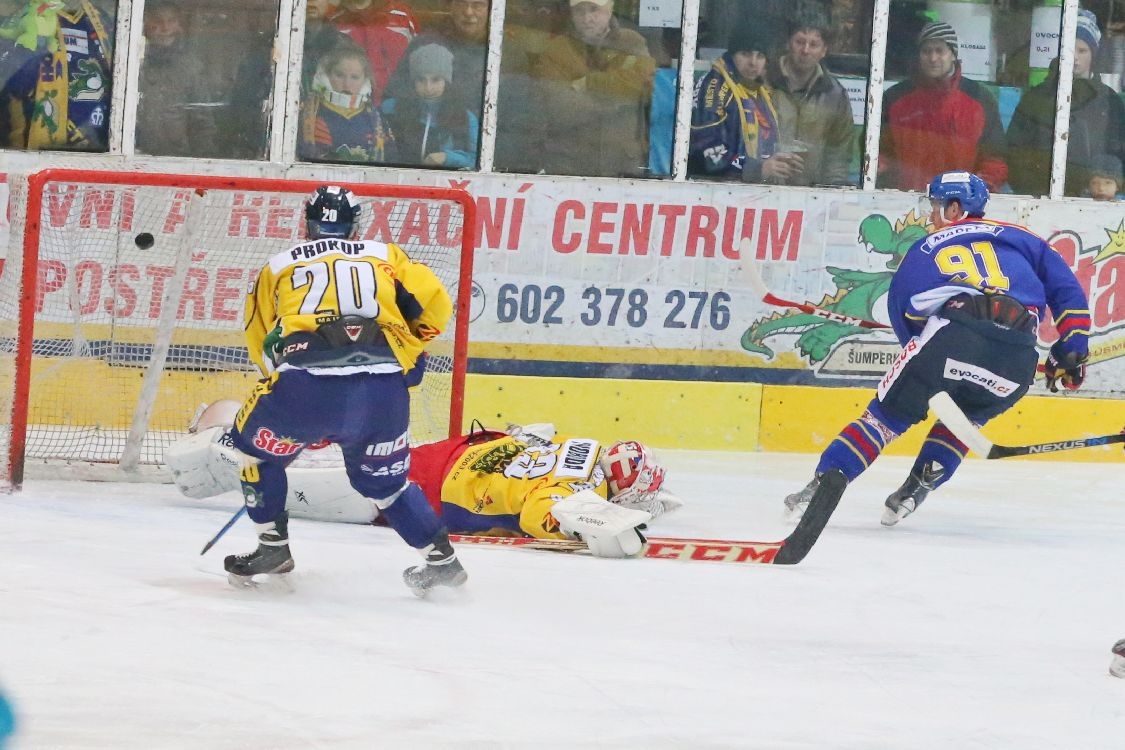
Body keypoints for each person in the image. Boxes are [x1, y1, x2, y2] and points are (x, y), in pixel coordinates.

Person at [784, 171, 1091, 527]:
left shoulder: (927, 247)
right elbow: (1068, 292)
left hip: (951, 337)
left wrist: (935, 362)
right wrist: (1070, 350)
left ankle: (821, 486)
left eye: (935, 206)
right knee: (965, 418)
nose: (931, 215)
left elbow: (906, 310)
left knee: (884, 420)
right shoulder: (1025, 239)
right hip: (1019, 357)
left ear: (955, 208)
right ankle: (914, 490)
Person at [219, 185, 465, 595]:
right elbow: (436, 303)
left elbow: (259, 337)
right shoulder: (387, 255)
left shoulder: (278, 265)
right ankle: (443, 562)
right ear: (355, 223)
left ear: (308, 223)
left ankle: (272, 547)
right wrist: (409, 348)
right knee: (387, 485)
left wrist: (287, 398)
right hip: (384, 391)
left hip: (306, 387)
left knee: (251, 451)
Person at [167, 412, 682, 554]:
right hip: (393, 496)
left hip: (417, 454)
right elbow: (545, 518)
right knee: (272, 473)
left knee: (298, 446)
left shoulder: (579, 443)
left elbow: (534, 431)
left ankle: (224, 422)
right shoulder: (569, 493)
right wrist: (606, 530)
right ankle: (212, 448)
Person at [1007, 9, 1125, 198]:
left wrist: (1107, 188)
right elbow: (1015, 150)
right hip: (1040, 199)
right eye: (1069, 48)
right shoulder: (1036, 97)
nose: (1075, 57)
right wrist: (1032, 191)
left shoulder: (1109, 101)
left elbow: (1119, 154)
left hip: (1096, 202)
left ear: (1093, 54)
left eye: (1082, 50)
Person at [529, 0, 655, 178]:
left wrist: (588, 84)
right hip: (568, 162)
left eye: (594, 10)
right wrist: (619, 100)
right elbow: (558, 106)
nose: (587, 18)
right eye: (580, 11)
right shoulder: (556, 49)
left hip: (623, 162)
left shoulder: (632, 42)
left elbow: (646, 85)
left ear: (610, 9)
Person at [877, 21, 1008, 192]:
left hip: (960, 207)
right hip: (904, 206)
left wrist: (974, 192)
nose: (933, 58)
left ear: (953, 55)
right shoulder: (894, 98)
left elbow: (995, 160)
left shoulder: (980, 99)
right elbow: (877, 155)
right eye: (926, 51)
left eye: (940, 51)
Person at [689, 17, 804, 184]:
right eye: (745, 54)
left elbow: (767, 144)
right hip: (717, 193)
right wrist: (758, 169)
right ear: (732, 54)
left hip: (755, 192)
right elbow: (707, 150)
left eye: (760, 56)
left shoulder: (761, 90)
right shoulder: (714, 86)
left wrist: (783, 161)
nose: (753, 63)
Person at [0, 0, 114, 151]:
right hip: (34, 159)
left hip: (102, 155)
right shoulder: (24, 18)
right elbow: (10, 80)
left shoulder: (99, 19)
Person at [765, 10, 855, 187]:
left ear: (823, 51)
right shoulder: (765, 82)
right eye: (799, 42)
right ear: (788, 43)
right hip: (761, 190)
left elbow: (838, 153)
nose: (805, 50)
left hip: (812, 197)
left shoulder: (834, 94)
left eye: (813, 44)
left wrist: (832, 193)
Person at [134, 2, 218, 157]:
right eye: (158, 21)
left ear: (179, 25)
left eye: (171, 21)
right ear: (145, 23)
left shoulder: (191, 66)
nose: (165, 28)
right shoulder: (131, 61)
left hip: (176, 159)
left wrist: (203, 160)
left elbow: (202, 119)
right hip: (134, 155)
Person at [383, 41, 478, 168]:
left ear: (447, 81)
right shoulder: (390, 109)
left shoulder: (465, 117)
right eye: (421, 80)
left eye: (436, 80)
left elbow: (477, 159)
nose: (428, 87)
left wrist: (447, 157)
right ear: (413, 82)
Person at [299, 45, 397, 163]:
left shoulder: (377, 120)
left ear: (365, 81)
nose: (347, 84)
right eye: (339, 75)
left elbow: (390, 158)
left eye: (354, 77)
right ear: (326, 76)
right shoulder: (309, 114)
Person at [334, 0, 419, 104]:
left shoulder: (402, 15)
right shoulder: (336, 19)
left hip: (399, 105)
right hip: (350, 107)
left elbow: (420, 60)